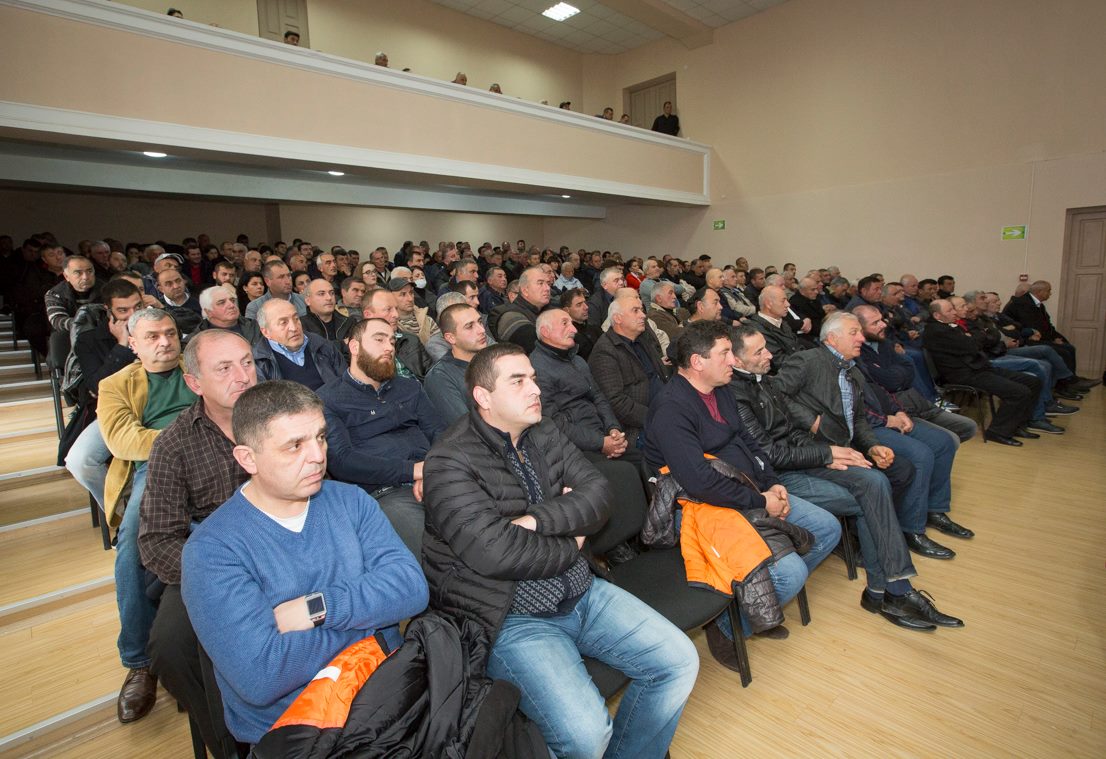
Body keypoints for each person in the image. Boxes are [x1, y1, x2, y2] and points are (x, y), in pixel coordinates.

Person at [422, 343, 698, 758]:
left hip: (581, 590)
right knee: (587, 735)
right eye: (518, 381)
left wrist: (536, 522)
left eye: (533, 378)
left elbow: (599, 494)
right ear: (483, 396)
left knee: (678, 662)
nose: (535, 389)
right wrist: (572, 538)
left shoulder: (544, 430)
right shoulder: (449, 461)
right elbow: (495, 555)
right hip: (511, 617)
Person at [181, 381, 428, 745]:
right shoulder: (212, 551)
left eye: (321, 437)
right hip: (303, 731)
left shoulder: (351, 501)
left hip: (391, 698)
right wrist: (374, 624)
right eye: (295, 445)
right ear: (248, 458)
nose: (317, 456)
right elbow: (262, 675)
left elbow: (411, 589)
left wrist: (319, 608)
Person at [728, 326, 962, 631]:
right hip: (780, 476)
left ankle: (888, 591)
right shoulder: (736, 395)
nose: (770, 354)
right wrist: (826, 454)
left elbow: (794, 432)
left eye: (766, 348)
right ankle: (890, 592)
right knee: (873, 489)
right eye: (759, 351)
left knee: (874, 480)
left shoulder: (766, 382)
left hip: (800, 460)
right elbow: (771, 455)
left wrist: (832, 452)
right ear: (736, 360)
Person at [644, 321, 841, 647]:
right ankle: (728, 629)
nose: (733, 360)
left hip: (749, 490)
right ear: (697, 362)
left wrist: (772, 484)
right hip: (702, 507)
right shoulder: (672, 408)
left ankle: (756, 599)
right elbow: (700, 482)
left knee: (827, 529)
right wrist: (762, 502)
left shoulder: (721, 389)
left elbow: (750, 443)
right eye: (724, 353)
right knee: (791, 573)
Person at [139, 330, 257, 757]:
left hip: (290, 540)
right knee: (171, 646)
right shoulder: (175, 443)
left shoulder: (281, 414)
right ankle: (231, 746)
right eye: (224, 368)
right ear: (194, 383)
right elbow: (157, 540)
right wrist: (219, 578)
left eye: (247, 362)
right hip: (213, 560)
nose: (242, 376)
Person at [771, 312, 957, 559]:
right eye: (854, 333)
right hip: (814, 448)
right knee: (876, 480)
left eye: (860, 332)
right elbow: (775, 393)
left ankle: (877, 531)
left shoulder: (853, 372)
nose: (861, 338)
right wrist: (811, 420)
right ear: (832, 338)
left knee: (902, 470)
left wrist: (872, 446)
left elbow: (858, 419)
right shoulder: (807, 360)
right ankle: (870, 542)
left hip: (846, 444)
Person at [98, 309, 197, 724]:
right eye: (153, 336)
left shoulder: (198, 366)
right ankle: (140, 661)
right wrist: (184, 441)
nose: (165, 342)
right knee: (133, 542)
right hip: (154, 467)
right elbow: (124, 439)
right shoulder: (115, 385)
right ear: (133, 344)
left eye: (170, 333)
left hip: (218, 453)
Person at [317, 318, 445, 554]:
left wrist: (430, 471)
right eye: (379, 339)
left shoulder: (409, 388)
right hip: (385, 492)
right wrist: (413, 470)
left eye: (392, 341)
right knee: (432, 551)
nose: (389, 347)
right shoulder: (328, 399)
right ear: (354, 347)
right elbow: (342, 461)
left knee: (481, 522)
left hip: (434, 476)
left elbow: (439, 433)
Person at [850, 304, 977, 443]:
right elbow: (889, 382)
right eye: (875, 323)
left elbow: (908, 367)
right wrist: (897, 373)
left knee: (968, 427)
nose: (883, 325)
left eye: (881, 319)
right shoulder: (858, 353)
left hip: (918, 401)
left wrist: (894, 374)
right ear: (859, 328)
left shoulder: (883, 343)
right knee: (949, 440)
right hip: (898, 409)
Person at [924, 299, 1040, 446]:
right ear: (937, 316)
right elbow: (973, 346)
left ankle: (1017, 425)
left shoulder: (950, 326)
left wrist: (975, 337)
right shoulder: (936, 331)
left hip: (980, 367)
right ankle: (998, 432)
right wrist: (979, 335)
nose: (954, 312)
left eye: (953, 308)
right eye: (949, 310)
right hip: (964, 374)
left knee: (1033, 382)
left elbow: (977, 342)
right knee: (1019, 392)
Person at [530, 308, 633, 464]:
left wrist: (613, 429)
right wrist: (600, 443)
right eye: (565, 324)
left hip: (602, 434)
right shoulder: (536, 369)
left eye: (572, 324)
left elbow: (598, 396)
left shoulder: (577, 360)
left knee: (645, 460)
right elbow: (552, 422)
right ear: (545, 331)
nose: (574, 329)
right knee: (627, 471)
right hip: (576, 449)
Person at [588, 294, 668, 447]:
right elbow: (616, 402)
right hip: (639, 427)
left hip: (665, 408)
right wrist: (656, 417)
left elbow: (661, 376)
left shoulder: (641, 339)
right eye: (635, 311)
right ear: (618, 318)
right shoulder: (605, 351)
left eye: (641, 310)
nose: (643, 315)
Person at [1004, 280, 1098, 385]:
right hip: (1028, 339)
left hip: (1039, 336)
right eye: (1048, 291)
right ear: (1040, 292)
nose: (1050, 293)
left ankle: (1072, 378)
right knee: (1063, 352)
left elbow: (1046, 325)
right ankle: (1066, 383)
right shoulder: (1022, 304)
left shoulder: (1038, 305)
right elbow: (1032, 328)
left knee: (1069, 347)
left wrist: (1055, 337)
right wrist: (1051, 339)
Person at [252, 298, 344, 390]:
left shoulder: (322, 345)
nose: (294, 328)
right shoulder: (258, 363)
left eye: (296, 319)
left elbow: (346, 384)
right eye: (283, 323)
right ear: (266, 332)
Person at [423, 303, 488, 423]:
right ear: (451, 338)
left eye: (480, 322)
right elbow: (464, 426)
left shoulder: (493, 361)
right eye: (469, 326)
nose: (482, 330)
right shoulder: (439, 378)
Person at [362, 287, 433, 380]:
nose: (396, 315)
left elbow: (433, 374)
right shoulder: (358, 348)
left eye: (396, 308)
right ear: (368, 315)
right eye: (388, 309)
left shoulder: (410, 340)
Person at [749, 285, 808, 372]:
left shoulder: (781, 322)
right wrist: (808, 361)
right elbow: (778, 361)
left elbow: (797, 346)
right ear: (768, 304)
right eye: (783, 301)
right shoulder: (756, 329)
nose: (788, 304)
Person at [491, 266, 550, 352]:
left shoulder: (547, 308)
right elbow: (541, 351)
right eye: (540, 283)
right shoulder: (509, 315)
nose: (547, 288)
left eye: (548, 283)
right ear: (525, 291)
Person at [46, 255, 100, 333]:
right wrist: (83, 324)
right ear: (66, 276)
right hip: (69, 332)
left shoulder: (106, 289)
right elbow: (57, 320)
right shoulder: (55, 294)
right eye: (78, 273)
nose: (85, 277)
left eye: (89, 271)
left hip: (101, 330)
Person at [193, 283, 261, 344]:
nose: (231, 305)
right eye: (221, 303)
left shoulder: (256, 327)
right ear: (208, 311)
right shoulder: (196, 340)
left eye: (232, 300)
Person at [300, 277, 356, 345]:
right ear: (308, 301)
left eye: (332, 293)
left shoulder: (348, 322)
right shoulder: (300, 325)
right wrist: (342, 343)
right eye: (321, 294)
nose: (329, 298)